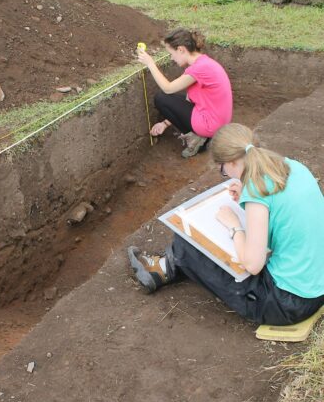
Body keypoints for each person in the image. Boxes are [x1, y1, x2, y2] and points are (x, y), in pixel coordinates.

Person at [128, 123, 324, 326]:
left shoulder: (257, 192)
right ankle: (170, 266)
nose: (226, 174)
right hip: (317, 285)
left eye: (222, 170)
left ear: (230, 162)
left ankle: (163, 269)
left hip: (287, 303)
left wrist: (235, 226)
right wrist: (246, 198)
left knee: (186, 241)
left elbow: (253, 265)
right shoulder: (293, 167)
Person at [137, 28, 233, 158]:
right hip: (217, 121)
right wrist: (165, 123)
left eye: (172, 53)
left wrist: (150, 63)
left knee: (162, 98)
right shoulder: (204, 63)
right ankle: (201, 136)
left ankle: (198, 139)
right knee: (173, 99)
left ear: (181, 50)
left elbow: (168, 88)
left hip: (211, 125)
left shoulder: (199, 69)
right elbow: (188, 101)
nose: (171, 58)